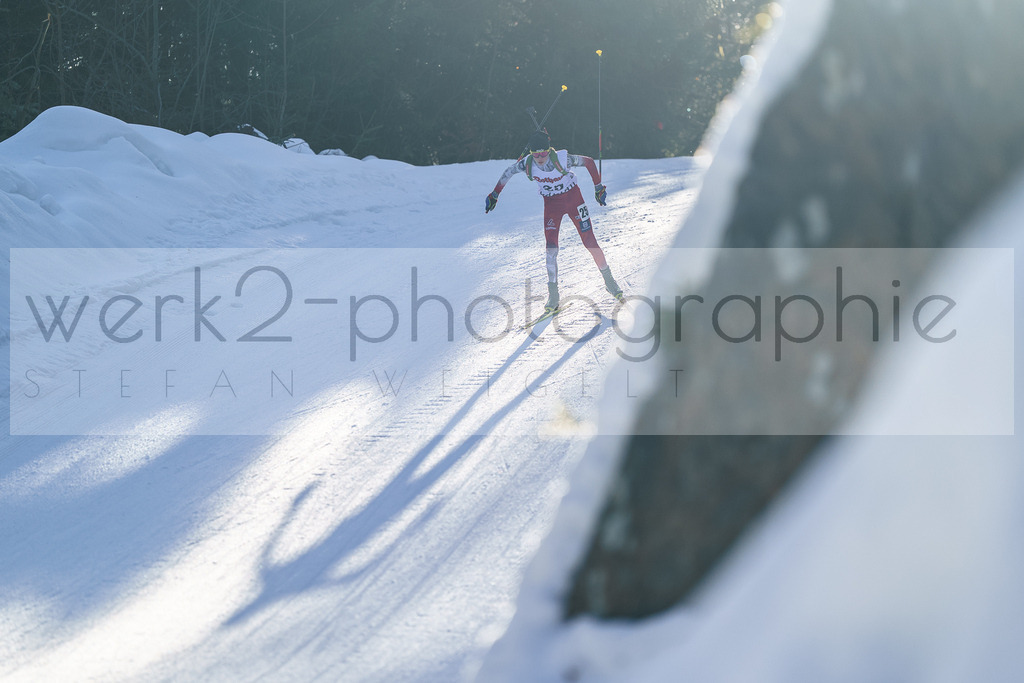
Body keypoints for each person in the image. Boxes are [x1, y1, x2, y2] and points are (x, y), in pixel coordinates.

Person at [484, 129, 623, 313]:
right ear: (531, 153)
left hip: (574, 200)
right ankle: (554, 295)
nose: (540, 158)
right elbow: (508, 172)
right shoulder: (527, 164)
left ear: (549, 150)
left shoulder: (563, 160)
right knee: (551, 249)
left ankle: (609, 281)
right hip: (552, 206)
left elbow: (589, 161)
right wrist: (495, 194)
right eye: (536, 154)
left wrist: (598, 188)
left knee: (590, 242)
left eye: (543, 153)